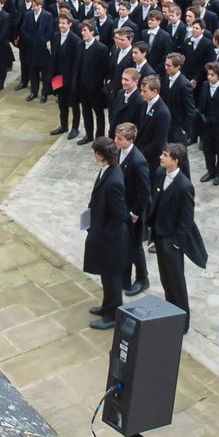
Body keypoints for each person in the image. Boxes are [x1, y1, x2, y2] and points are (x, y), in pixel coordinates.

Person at [147, 142, 208, 333]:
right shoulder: (159, 174)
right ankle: (169, 313)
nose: (161, 157)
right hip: (159, 235)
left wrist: (175, 243)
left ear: (175, 160)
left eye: (165, 155)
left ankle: (183, 322)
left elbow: (186, 220)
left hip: (171, 240)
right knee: (165, 279)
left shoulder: (184, 186)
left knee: (176, 282)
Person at [84, 136, 129, 331]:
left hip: (111, 239)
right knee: (106, 276)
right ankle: (106, 307)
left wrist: (103, 235)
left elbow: (119, 215)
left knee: (112, 279)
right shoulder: (108, 170)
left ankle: (112, 315)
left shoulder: (113, 181)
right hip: (104, 233)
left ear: (100, 155)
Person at [113, 123, 151, 297]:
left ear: (130, 140)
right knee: (125, 244)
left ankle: (143, 279)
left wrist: (135, 213)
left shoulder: (138, 161)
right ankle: (125, 277)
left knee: (135, 246)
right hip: (123, 207)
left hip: (134, 211)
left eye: (119, 139)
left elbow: (144, 192)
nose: (116, 141)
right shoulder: (120, 153)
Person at [195, 61, 219, 185]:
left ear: (218, 75)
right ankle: (210, 170)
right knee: (208, 150)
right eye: (208, 74)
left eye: (212, 75)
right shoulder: (205, 85)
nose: (209, 77)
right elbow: (201, 105)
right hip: (207, 126)